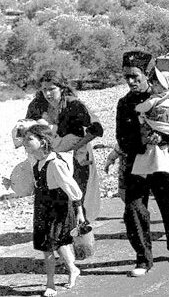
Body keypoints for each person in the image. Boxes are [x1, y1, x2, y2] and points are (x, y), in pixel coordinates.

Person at [116, 50, 169, 277]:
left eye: (135, 76)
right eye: (127, 77)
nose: (131, 81)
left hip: (163, 162)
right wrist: (140, 141)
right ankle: (143, 259)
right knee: (134, 209)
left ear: (147, 75)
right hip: (136, 163)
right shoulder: (124, 103)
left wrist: (162, 138)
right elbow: (121, 137)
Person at [26, 70, 103, 222]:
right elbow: (28, 129)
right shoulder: (37, 105)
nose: (47, 94)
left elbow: (96, 129)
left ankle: (82, 233)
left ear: (61, 87)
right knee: (55, 192)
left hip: (77, 154)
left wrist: (75, 148)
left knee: (78, 192)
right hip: (50, 156)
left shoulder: (74, 104)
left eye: (51, 89)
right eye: (44, 89)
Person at [23, 124, 85, 297]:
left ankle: (51, 284)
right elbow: (33, 185)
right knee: (55, 243)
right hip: (42, 207)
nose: (25, 142)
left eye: (29, 139)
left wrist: (80, 212)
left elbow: (72, 188)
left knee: (50, 246)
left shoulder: (55, 163)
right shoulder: (36, 162)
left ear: (43, 142)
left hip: (58, 209)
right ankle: (73, 269)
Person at [131, 68, 169, 181]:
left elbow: (141, 108)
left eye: (156, 83)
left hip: (158, 143)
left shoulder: (155, 100)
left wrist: (137, 109)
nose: (153, 86)